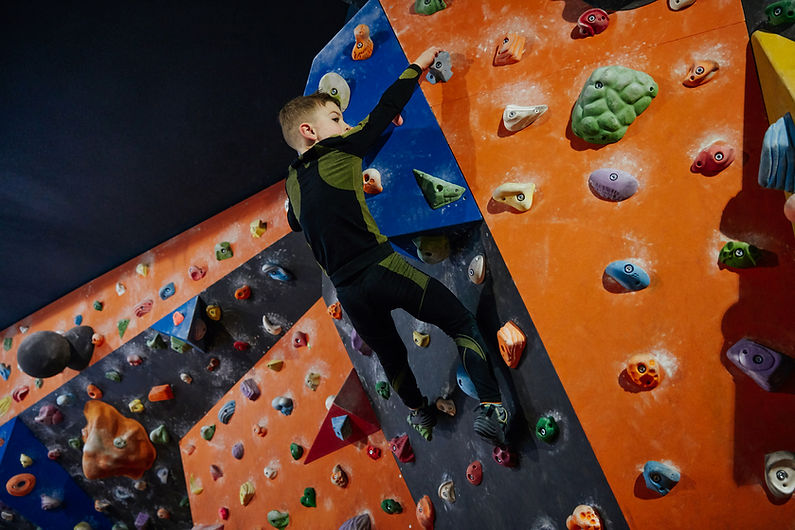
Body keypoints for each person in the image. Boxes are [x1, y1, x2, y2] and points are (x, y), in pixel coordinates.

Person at [278, 47, 509, 445]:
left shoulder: (292, 184)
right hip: (383, 270)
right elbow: (384, 110)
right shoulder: (341, 148)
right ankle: (491, 406)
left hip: (350, 294)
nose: (346, 125)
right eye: (336, 119)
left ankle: (419, 414)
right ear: (309, 131)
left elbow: (295, 221)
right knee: (459, 322)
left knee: (392, 356)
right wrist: (419, 64)